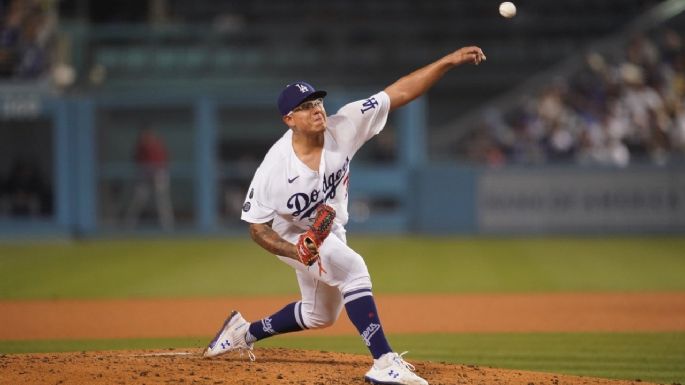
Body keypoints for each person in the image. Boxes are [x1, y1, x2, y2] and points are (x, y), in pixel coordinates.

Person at [203, 46, 487, 385]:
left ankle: (242, 333)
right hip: (291, 233)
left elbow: (398, 92)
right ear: (288, 120)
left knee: (319, 314)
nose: (316, 109)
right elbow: (256, 228)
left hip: (328, 226)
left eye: (317, 101)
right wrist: (296, 251)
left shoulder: (345, 124)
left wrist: (446, 62)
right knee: (354, 270)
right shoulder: (274, 170)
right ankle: (384, 361)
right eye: (305, 107)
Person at [124, 127, 175, 230]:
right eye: (145, 136)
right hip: (144, 175)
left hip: (159, 175)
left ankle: (168, 226)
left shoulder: (158, 145)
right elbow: (136, 160)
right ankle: (129, 224)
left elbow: (164, 161)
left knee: (162, 201)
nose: (147, 138)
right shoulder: (140, 147)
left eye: (149, 135)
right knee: (139, 200)